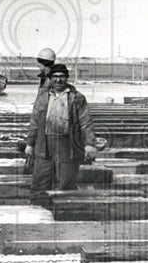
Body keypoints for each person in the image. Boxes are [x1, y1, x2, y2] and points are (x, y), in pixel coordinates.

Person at [25, 63, 97, 192]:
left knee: (66, 184)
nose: (58, 80)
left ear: (67, 78)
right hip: (44, 145)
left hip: (67, 145)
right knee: (40, 183)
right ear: (50, 78)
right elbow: (34, 122)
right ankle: (40, 209)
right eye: (55, 76)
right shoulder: (42, 97)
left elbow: (86, 123)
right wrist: (30, 144)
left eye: (62, 76)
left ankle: (65, 211)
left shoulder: (77, 97)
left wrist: (89, 144)